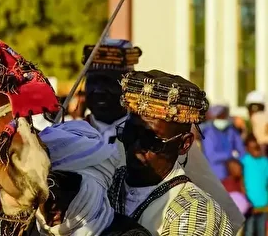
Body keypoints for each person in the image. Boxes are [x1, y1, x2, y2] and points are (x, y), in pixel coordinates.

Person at [83, 40, 245, 231]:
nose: (99, 91)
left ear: (183, 145)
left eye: (109, 82)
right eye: (129, 134)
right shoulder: (71, 140)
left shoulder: (194, 209)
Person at [109, 70, 233, 235]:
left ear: (184, 144)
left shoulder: (197, 211)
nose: (136, 146)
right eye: (130, 132)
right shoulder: (104, 184)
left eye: (151, 140)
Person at [37, 120, 149, 235]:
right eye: (43, 190)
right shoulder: (29, 229)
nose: (52, 203)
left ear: (93, 186)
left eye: (65, 187)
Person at [83, 39, 141, 143]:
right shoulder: (71, 136)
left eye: (108, 81)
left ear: (129, 87)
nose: (98, 91)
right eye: (93, 81)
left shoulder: (145, 138)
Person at [201, 104, 247, 180]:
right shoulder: (208, 132)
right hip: (216, 175)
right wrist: (230, 155)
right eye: (219, 117)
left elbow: (241, 151)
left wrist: (236, 159)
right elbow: (211, 156)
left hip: (233, 175)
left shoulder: (231, 130)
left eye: (223, 117)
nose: (222, 119)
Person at [242, 135, 268, 236]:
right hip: (250, 206)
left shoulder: (265, 162)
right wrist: (246, 202)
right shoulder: (244, 161)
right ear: (247, 149)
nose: (255, 150)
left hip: (263, 205)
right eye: (252, 148)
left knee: (261, 232)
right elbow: (241, 183)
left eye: (256, 147)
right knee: (249, 231)